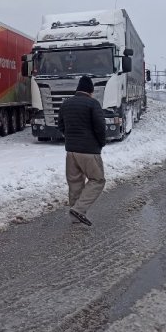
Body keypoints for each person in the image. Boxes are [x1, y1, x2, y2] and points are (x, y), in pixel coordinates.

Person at [57, 75, 107, 226]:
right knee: (97, 180)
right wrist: (101, 143)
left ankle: (75, 218)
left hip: (71, 151)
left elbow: (60, 125)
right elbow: (100, 126)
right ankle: (79, 209)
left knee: (75, 182)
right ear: (90, 91)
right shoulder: (93, 103)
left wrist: (69, 138)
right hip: (89, 151)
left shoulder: (66, 104)